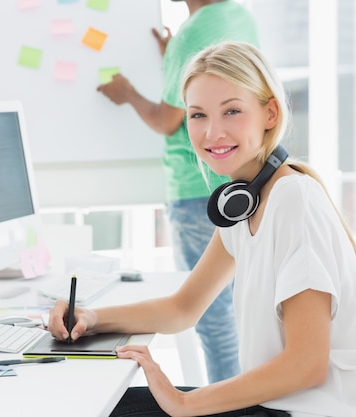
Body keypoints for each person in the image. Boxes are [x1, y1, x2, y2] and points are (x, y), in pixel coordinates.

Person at [50, 41, 356, 417]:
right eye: (198, 116)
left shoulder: (292, 200)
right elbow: (183, 309)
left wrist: (185, 402)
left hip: (303, 410)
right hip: (278, 404)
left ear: (270, 113)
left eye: (232, 112)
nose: (212, 133)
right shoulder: (245, 201)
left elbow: (306, 363)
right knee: (96, 400)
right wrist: (92, 318)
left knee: (89, 407)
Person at [96, 0, 260, 384]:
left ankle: (226, 406)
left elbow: (168, 120)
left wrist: (128, 93)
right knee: (230, 316)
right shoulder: (238, 17)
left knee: (213, 321)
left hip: (196, 190)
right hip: (233, 187)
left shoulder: (194, 32)